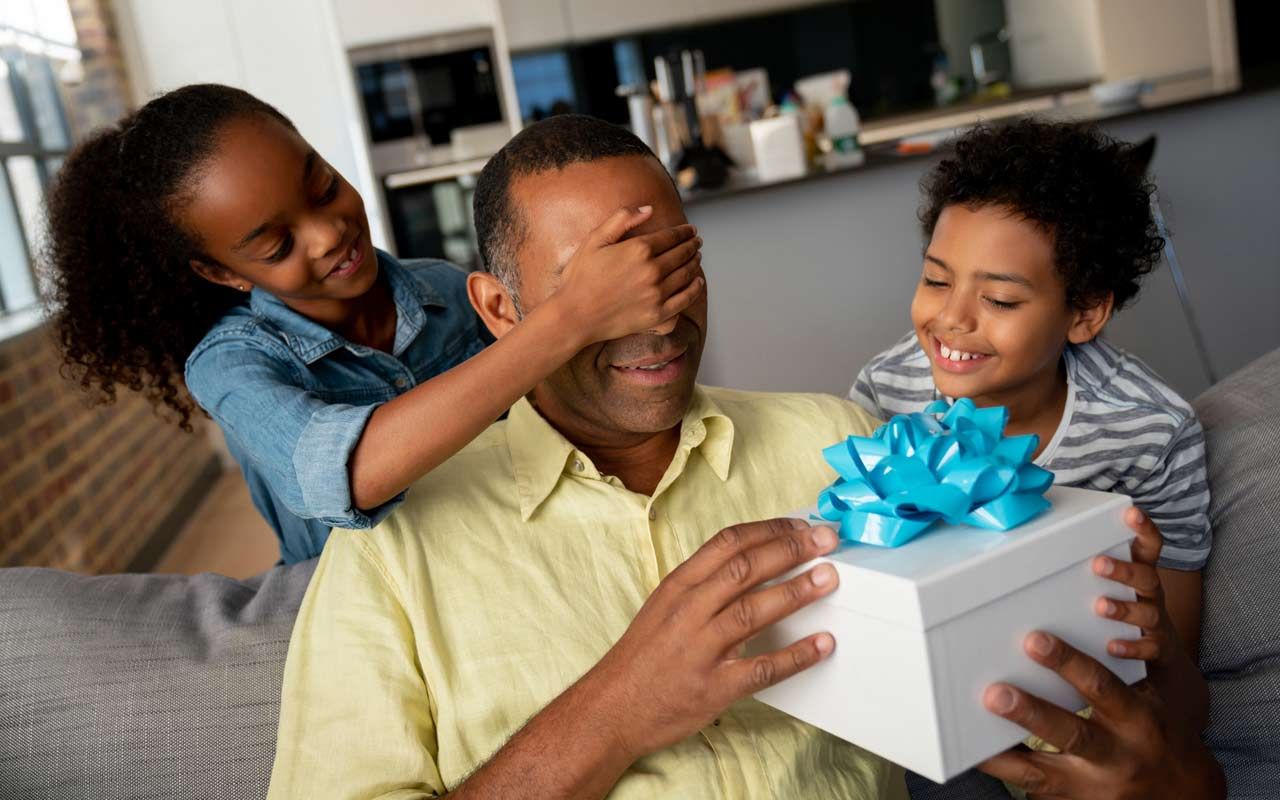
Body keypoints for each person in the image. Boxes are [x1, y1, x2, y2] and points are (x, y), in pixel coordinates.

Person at [267, 115, 1218, 799]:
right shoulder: (388, 549)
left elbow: (1031, 711)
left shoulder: (847, 444)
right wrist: (615, 711)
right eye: (599, 288)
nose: (658, 313)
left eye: (675, 263)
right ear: (502, 312)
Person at [44, 85, 704, 563]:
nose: (329, 234)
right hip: (361, 610)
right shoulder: (229, 366)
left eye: (323, 186)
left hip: (499, 563)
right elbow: (345, 474)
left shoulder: (448, 292)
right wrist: (571, 315)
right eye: (277, 245)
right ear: (223, 273)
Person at [849, 120, 1210, 732]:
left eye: (1001, 301)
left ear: (1085, 312)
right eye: (936, 279)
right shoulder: (888, 393)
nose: (951, 319)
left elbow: (1172, 651)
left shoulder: (1150, 432)